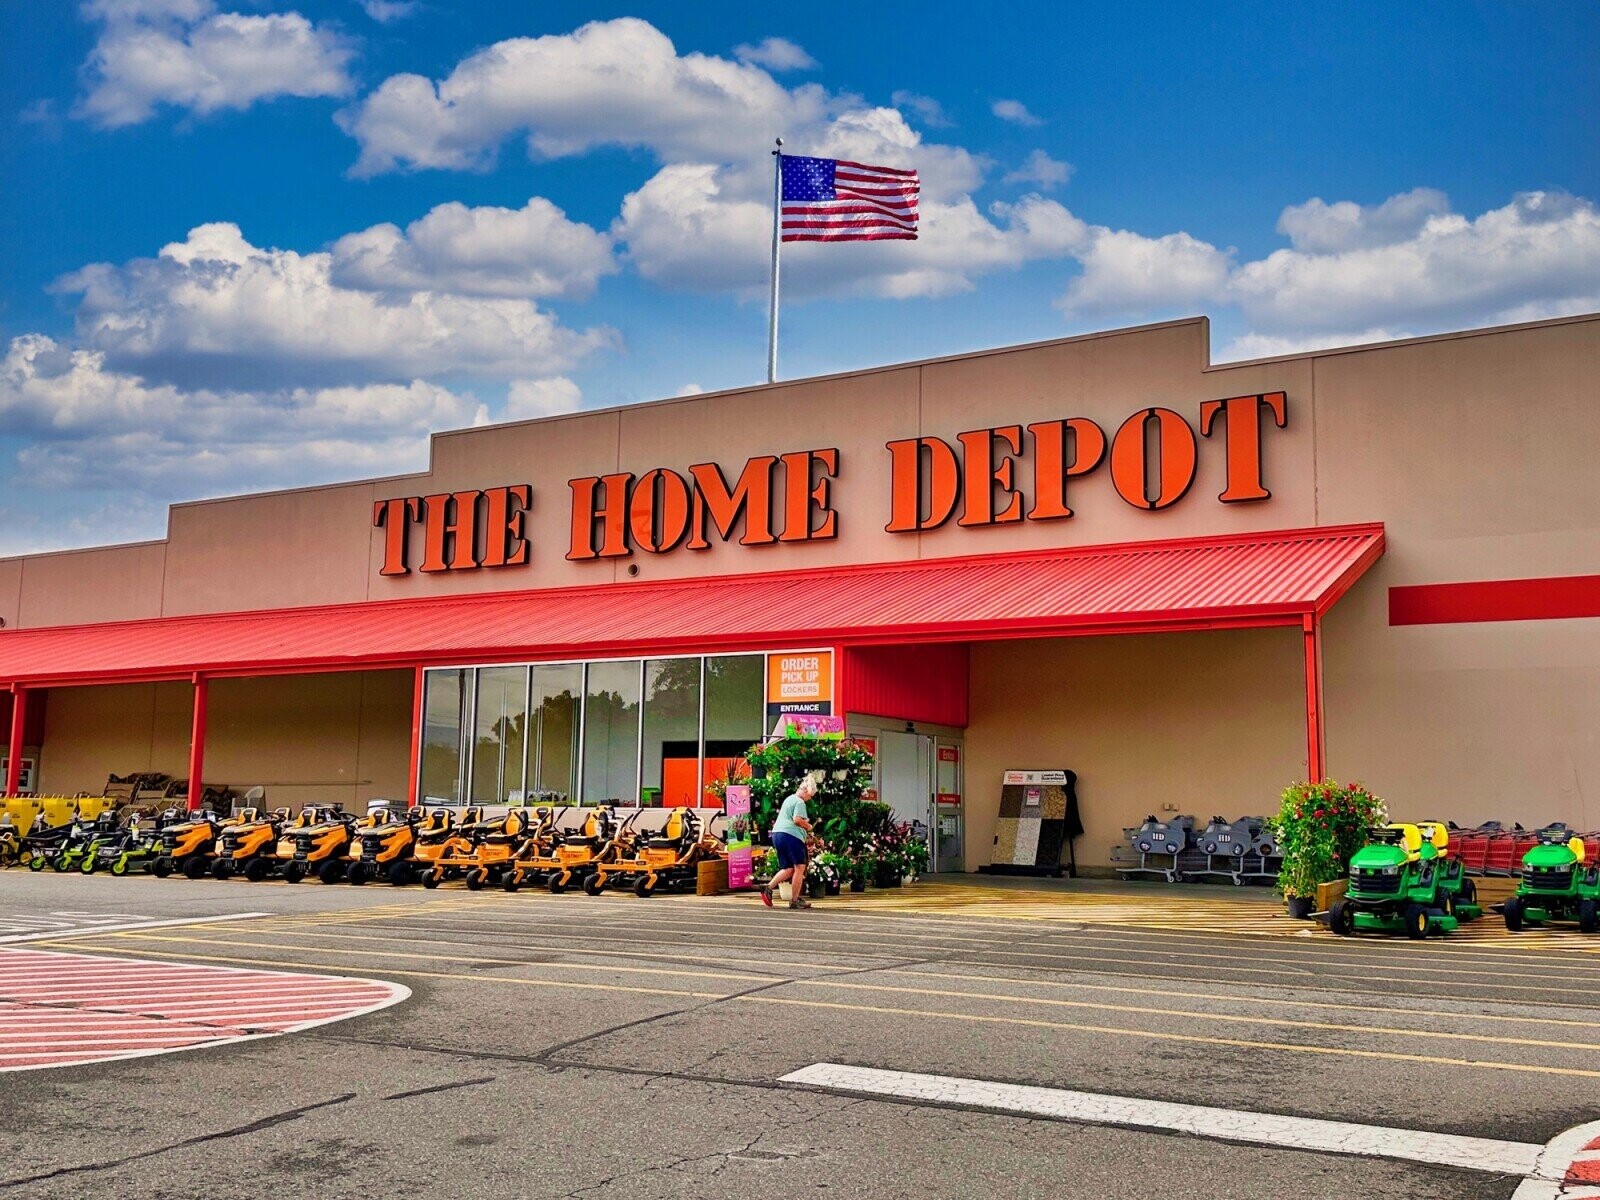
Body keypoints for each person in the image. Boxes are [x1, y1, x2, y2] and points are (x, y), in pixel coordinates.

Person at [762, 776, 817, 910]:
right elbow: (797, 820)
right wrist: (808, 826)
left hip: (778, 835)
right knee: (799, 867)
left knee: (788, 868)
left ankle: (768, 888)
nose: (810, 798)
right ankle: (794, 900)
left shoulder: (789, 799)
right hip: (791, 836)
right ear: (806, 791)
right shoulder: (799, 802)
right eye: (810, 795)